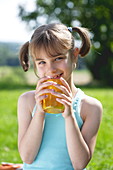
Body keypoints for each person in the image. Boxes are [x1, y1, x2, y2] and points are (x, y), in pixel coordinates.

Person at [17, 23, 102, 170]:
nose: (51, 69)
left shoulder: (91, 107)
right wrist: (39, 112)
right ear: (35, 64)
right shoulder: (27, 101)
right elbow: (27, 157)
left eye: (58, 58)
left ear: (74, 55)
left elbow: (79, 164)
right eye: (42, 62)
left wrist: (70, 116)